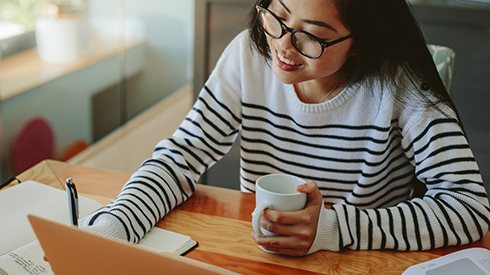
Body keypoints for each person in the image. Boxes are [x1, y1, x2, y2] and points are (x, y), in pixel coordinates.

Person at [82, 0, 490, 257]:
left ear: (360, 42)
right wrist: (115, 228)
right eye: (276, 16)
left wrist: (333, 229)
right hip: (257, 257)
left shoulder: (400, 85)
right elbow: (181, 157)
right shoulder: (247, 53)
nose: (282, 45)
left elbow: (470, 208)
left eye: (311, 36)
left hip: (356, 262)